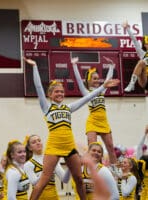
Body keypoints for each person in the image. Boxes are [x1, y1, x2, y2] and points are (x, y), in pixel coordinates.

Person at [24, 57, 120, 200]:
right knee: (43, 181)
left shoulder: (68, 108)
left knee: (79, 179)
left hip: (69, 146)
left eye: (62, 92)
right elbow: (38, 87)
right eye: (57, 92)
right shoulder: (46, 108)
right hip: (54, 146)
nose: (60, 94)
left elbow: (87, 98)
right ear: (50, 95)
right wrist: (35, 67)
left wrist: (103, 87)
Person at [72, 56, 119, 174]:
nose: (97, 80)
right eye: (94, 78)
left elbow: (108, 79)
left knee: (110, 147)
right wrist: (74, 66)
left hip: (103, 122)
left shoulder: (102, 90)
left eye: (98, 78)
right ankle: (90, 170)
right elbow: (78, 81)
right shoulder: (86, 92)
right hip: (92, 122)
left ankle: (114, 170)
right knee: (92, 147)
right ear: (88, 80)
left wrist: (112, 67)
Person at [23, 134, 69, 199]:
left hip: (54, 197)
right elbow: (34, 182)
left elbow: (65, 179)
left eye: (39, 141)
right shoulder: (28, 164)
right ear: (30, 148)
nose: (38, 143)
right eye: (34, 142)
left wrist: (70, 166)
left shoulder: (51, 159)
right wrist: (47, 170)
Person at [122, 21, 148, 92]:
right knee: (141, 62)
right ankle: (131, 84)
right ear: (145, 45)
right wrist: (127, 28)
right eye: (147, 43)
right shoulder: (142, 53)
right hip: (145, 80)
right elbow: (135, 41)